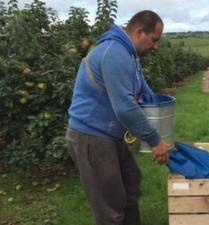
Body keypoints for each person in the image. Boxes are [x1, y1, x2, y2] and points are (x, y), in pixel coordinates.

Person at [65, 10, 169, 225]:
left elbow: (143, 92)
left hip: (111, 134)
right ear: (140, 32)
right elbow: (125, 107)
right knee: (109, 208)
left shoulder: (129, 54)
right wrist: (155, 139)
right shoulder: (115, 53)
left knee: (131, 187)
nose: (156, 46)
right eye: (154, 40)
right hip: (92, 137)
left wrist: (163, 123)